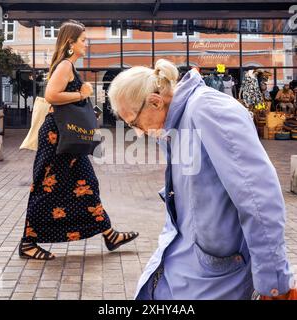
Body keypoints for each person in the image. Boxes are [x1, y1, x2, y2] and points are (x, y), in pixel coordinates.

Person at [108, 58, 296, 300]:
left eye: (133, 122)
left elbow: (258, 197)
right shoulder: (175, 124)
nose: (137, 132)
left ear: (155, 102)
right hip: (185, 268)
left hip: (215, 277)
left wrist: (274, 280)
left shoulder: (209, 110)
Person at [19, 20, 139, 260]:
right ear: (70, 43)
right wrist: (81, 93)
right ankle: (28, 243)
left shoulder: (69, 67)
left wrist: (82, 98)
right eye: (83, 40)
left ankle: (108, 233)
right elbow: (51, 95)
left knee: (86, 184)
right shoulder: (65, 65)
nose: (87, 43)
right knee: (47, 186)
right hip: (58, 138)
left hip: (66, 137)